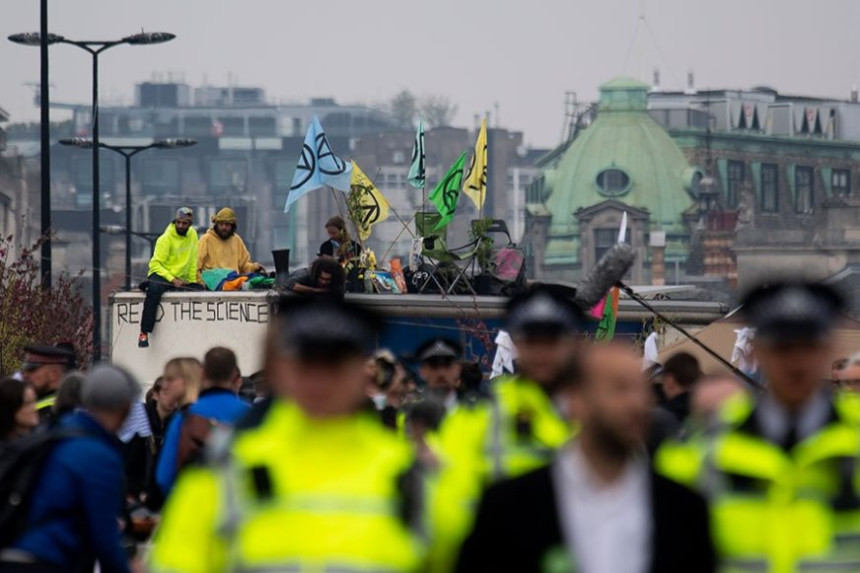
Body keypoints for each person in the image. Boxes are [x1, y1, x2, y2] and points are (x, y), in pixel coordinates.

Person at [150, 298, 426, 572]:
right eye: (307, 363)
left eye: (334, 365)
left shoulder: (405, 472)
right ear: (282, 370)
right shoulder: (229, 463)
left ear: (364, 372)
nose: (320, 380)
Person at [457, 343, 716, 572]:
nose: (637, 403)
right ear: (576, 399)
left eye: (642, 390)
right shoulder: (509, 507)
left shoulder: (684, 509)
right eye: (619, 389)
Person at [657, 281, 860, 572]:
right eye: (783, 347)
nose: (797, 362)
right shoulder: (697, 454)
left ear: (830, 349)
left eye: (808, 346)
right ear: (755, 351)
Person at [429, 285, 584, 571]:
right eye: (532, 340)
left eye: (551, 339)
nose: (541, 352)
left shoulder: (598, 414)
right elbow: (447, 512)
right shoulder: (480, 414)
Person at [1, 365, 140, 572]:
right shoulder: (98, 455)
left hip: (12, 550)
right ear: (126, 407)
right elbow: (105, 536)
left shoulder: (56, 432)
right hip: (47, 560)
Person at [155, 347, 249, 497]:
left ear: (203, 374)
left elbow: (164, 477)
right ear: (236, 376)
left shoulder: (185, 417)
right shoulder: (252, 415)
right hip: (241, 509)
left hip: (195, 506)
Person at [138, 207, 202, 348]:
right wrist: (173, 280)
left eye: (184, 223)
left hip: (180, 277)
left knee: (200, 290)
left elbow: (192, 261)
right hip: (162, 273)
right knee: (154, 291)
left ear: (189, 224)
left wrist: (191, 281)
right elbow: (154, 264)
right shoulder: (165, 239)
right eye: (178, 222)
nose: (180, 226)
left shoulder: (193, 235)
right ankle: (144, 332)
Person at [196, 207, 264, 284]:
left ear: (232, 226)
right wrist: (201, 283)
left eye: (227, 224)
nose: (224, 227)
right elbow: (196, 266)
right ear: (216, 224)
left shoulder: (236, 240)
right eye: (221, 224)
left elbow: (244, 265)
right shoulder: (206, 239)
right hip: (214, 285)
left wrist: (254, 267)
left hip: (233, 284)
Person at [19, 343, 76, 423]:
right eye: (25, 370)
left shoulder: (54, 415)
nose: (25, 375)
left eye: (32, 370)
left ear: (53, 374)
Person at [415, 338, 463, 412]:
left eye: (447, 365)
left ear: (457, 370)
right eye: (434, 366)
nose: (441, 373)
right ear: (423, 372)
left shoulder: (475, 411)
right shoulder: (413, 413)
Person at [659, 351, 702, 424]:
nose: (663, 388)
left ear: (670, 381)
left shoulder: (660, 419)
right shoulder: (711, 411)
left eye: (663, 382)